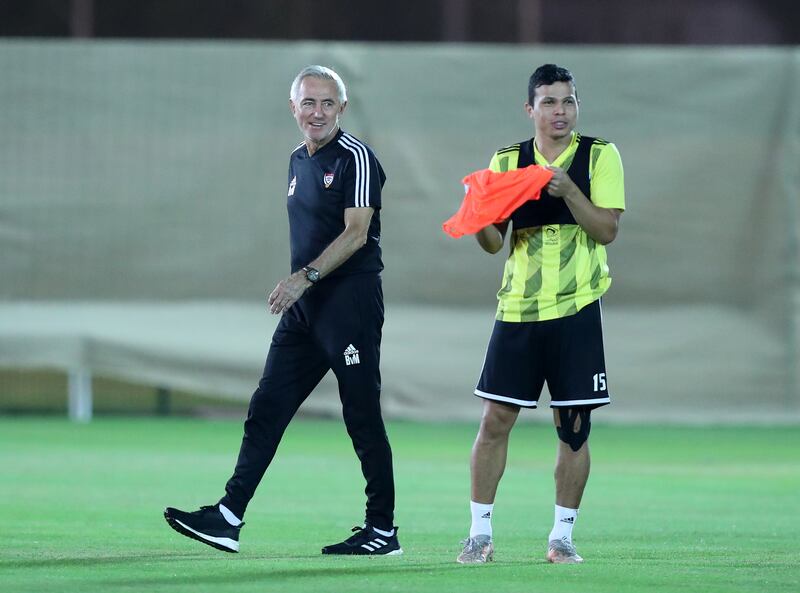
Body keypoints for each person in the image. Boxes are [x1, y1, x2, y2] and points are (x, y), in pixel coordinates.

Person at [164, 65, 401, 556]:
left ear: (342, 108)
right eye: (308, 103)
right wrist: (303, 286)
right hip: (306, 309)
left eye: (327, 103)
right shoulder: (297, 160)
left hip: (348, 303)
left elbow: (357, 234)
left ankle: (382, 530)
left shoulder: (357, 159)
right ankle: (228, 517)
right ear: (293, 107)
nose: (317, 112)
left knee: (360, 415)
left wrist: (304, 277)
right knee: (266, 408)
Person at [456, 64, 625, 565]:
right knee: (494, 420)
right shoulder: (507, 161)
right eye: (549, 102)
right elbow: (493, 244)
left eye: (568, 102)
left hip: (577, 309)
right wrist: (477, 215)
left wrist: (569, 190)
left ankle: (562, 538)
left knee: (573, 427)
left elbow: (608, 231)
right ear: (530, 109)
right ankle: (479, 535)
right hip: (519, 311)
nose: (560, 112)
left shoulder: (599, 155)